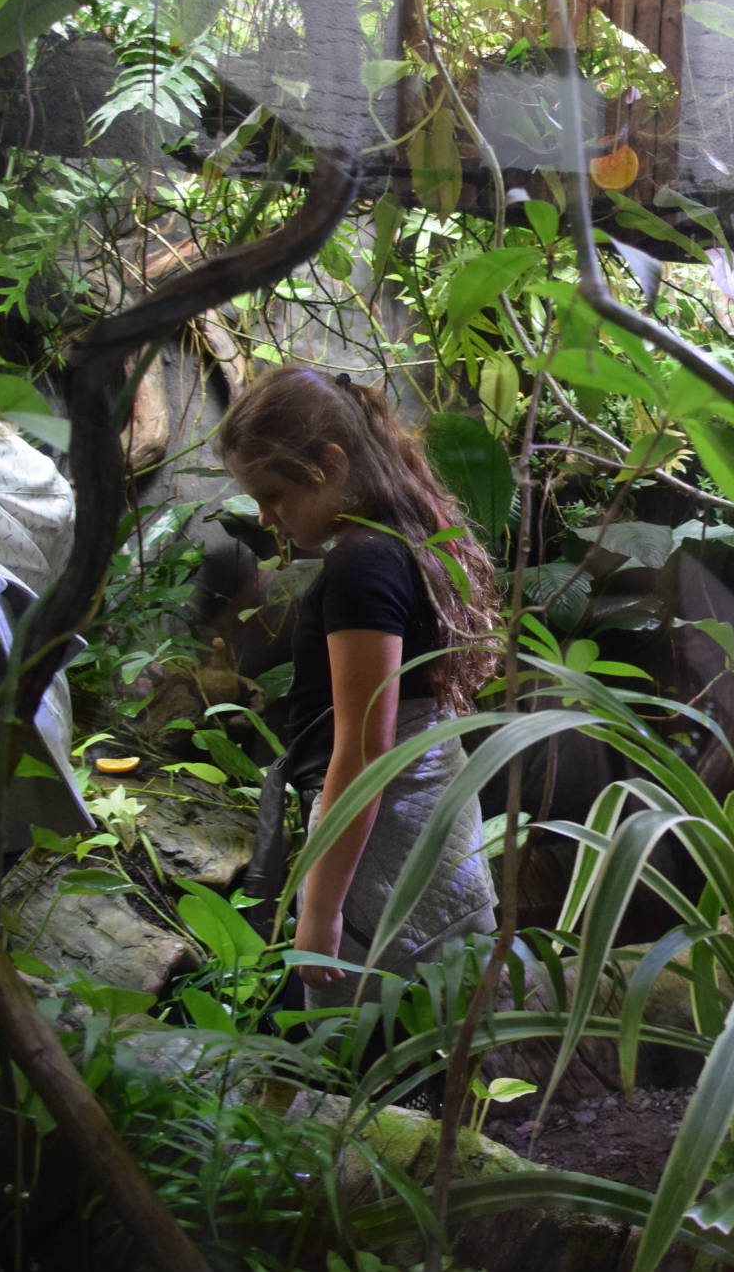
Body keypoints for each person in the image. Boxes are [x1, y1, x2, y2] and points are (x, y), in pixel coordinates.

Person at [217, 365, 502, 1012]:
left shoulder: (361, 561)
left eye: (274, 493)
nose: (266, 515)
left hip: (383, 828)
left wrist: (319, 911)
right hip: (425, 806)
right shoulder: (404, 535)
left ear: (329, 463)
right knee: (441, 1032)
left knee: (354, 1058)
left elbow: (367, 751)